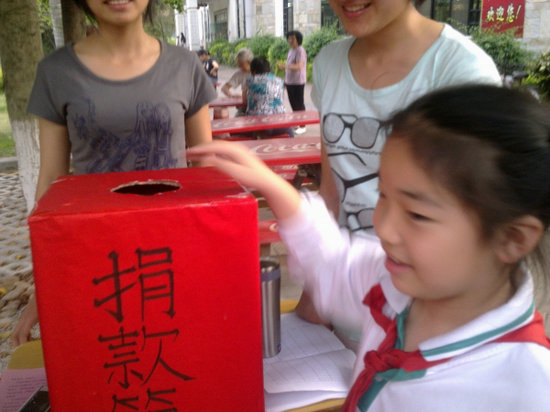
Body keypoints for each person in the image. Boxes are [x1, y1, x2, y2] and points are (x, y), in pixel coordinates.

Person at [188, 85, 550, 411]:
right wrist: (274, 187)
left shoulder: (527, 387)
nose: (385, 228)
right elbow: (333, 263)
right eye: (383, 196)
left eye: (417, 214)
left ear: (512, 238)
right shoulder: (396, 283)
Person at [11, 0, 217, 347]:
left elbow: (207, 170)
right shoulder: (56, 72)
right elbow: (50, 183)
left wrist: (211, 257)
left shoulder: (184, 66)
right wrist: (44, 283)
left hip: (173, 253)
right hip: (96, 261)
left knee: (178, 351)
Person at [300, 0, 502, 336]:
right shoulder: (328, 64)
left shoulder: (461, 71)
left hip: (422, 320)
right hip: (348, 300)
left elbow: (473, 225)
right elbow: (331, 190)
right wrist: (318, 290)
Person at [244, 57, 294, 138]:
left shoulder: (249, 81)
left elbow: (244, 101)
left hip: (257, 125)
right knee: (289, 132)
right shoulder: (279, 80)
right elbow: (281, 99)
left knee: (244, 131)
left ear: (254, 71)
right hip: (279, 124)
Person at [278, 30, 307, 135]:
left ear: (298, 39)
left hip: (298, 81)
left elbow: (299, 66)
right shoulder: (291, 51)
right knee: (293, 104)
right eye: (289, 38)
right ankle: (298, 122)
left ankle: (303, 126)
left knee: (299, 104)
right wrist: (285, 80)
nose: (290, 40)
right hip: (290, 81)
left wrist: (284, 66)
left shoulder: (300, 50)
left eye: (293, 38)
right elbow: (289, 68)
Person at [221, 48, 253, 117]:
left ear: (249, 62)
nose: (239, 66)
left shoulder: (260, 71)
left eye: (241, 64)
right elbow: (224, 88)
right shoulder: (240, 73)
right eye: (238, 64)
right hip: (245, 108)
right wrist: (232, 95)